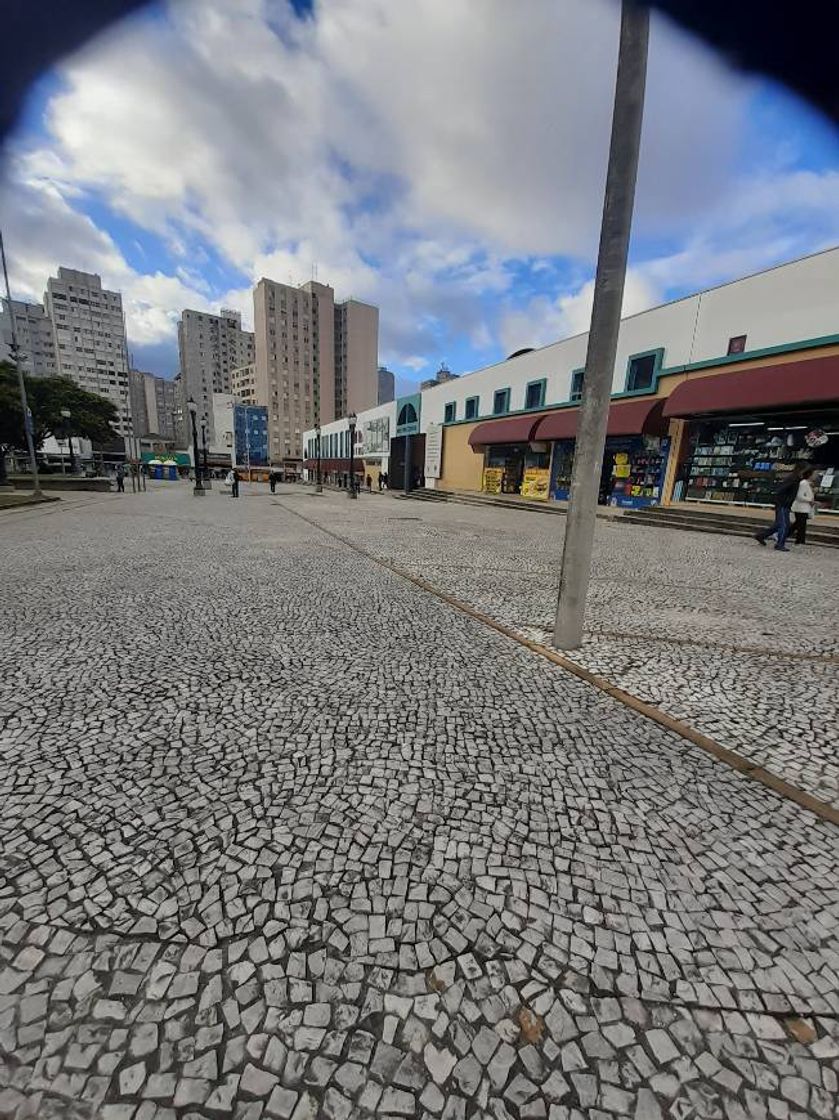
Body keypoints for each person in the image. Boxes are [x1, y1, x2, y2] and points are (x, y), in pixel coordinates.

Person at [755, 468, 802, 551]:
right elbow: (781, 490)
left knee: (778, 524)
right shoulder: (793, 479)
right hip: (783, 504)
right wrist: (784, 501)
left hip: (784, 504)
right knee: (784, 524)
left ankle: (761, 535)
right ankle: (780, 544)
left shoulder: (795, 479)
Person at [790, 468, 817, 544]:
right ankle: (800, 540)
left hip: (805, 508)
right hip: (800, 507)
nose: (815, 476)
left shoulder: (809, 484)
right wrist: (810, 500)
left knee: (798, 525)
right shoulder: (803, 483)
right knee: (800, 525)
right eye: (814, 474)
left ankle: (798, 539)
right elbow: (799, 496)